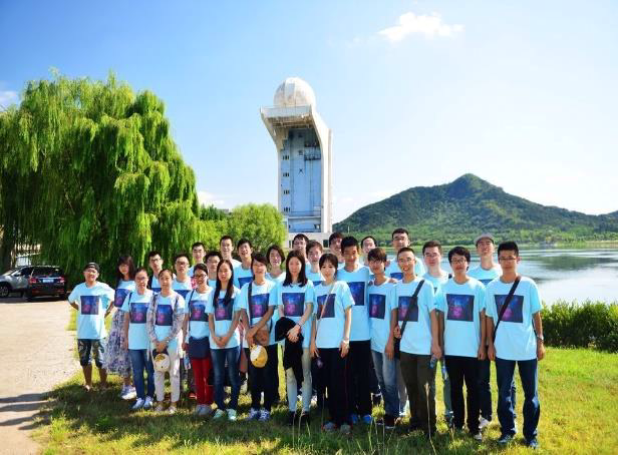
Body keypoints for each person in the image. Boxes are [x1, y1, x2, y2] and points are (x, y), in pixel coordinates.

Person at [486, 241, 545, 449]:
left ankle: (530, 435)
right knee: (503, 393)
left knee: (531, 395)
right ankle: (508, 430)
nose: (507, 262)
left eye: (510, 258)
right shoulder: (492, 287)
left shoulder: (528, 285)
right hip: (502, 349)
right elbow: (489, 318)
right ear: (498, 260)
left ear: (518, 259)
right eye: (502, 258)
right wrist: (490, 344)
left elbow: (536, 315)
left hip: (527, 348)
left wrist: (540, 341)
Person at [437, 246, 486, 441]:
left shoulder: (478, 287)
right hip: (451, 349)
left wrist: (482, 345)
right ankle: (458, 423)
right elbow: (440, 319)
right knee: (455, 388)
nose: (458, 264)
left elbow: (483, 318)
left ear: (468, 263)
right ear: (450, 264)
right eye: (455, 261)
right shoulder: (444, 288)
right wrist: (440, 344)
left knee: (474, 389)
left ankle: (474, 426)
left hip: (473, 349)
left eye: (462, 260)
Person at [393, 247, 441, 438]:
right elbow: (397, 313)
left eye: (408, 259)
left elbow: (433, 316)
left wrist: (435, 343)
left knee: (426, 388)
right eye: (401, 260)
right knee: (411, 386)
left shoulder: (425, 285)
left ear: (415, 262)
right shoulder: (397, 287)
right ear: (398, 263)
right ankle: (415, 423)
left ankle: (430, 427)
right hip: (406, 347)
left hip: (424, 347)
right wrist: (396, 329)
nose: (405, 263)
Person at [310, 253, 353, 435]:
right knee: (327, 383)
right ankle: (334, 419)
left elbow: (348, 314)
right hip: (321, 345)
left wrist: (346, 339)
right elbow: (314, 318)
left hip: (337, 345)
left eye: (330, 266)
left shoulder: (341, 286)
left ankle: (345, 421)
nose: (327, 270)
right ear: (320, 269)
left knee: (340, 384)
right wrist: (312, 341)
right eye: (324, 266)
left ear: (336, 268)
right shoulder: (316, 290)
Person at [468, 233, 504, 429]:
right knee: (481, 378)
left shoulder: (502, 271)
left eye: (487, 243)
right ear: (476, 249)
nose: (484, 246)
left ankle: (509, 415)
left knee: (506, 379)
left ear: (493, 247)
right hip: (480, 331)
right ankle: (486, 415)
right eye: (480, 244)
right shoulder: (472, 274)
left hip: (502, 329)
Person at [238, 253, 278, 422]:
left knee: (268, 374)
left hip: (268, 338)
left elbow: (270, 311)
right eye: (256, 264)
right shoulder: (246, 288)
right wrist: (248, 332)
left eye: (261, 264)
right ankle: (254, 407)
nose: (258, 267)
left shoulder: (272, 287)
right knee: (254, 375)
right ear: (252, 267)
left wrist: (254, 330)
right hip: (251, 340)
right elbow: (243, 312)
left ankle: (266, 408)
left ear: (266, 267)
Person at [277, 250, 315, 426]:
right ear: (287, 265)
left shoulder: (308, 285)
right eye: (291, 263)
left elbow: (309, 309)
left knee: (305, 374)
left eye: (297, 263)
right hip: (288, 338)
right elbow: (281, 309)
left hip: (303, 336)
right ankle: (292, 410)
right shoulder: (281, 286)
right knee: (290, 373)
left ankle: (305, 410)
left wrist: (297, 327)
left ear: (302, 265)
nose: (294, 266)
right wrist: (288, 331)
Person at [338, 236, 373, 424]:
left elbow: (381, 280)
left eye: (354, 253)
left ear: (358, 252)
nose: (351, 257)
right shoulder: (338, 275)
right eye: (347, 253)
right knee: (348, 375)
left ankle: (366, 411)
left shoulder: (366, 272)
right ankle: (351, 410)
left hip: (364, 333)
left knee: (364, 374)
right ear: (342, 254)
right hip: (345, 335)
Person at [68, 262, 115, 391]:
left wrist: (108, 311)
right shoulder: (79, 288)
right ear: (84, 273)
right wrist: (79, 308)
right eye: (88, 270)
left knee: (101, 360)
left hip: (98, 332)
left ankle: (103, 384)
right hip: (83, 332)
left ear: (97, 274)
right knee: (84, 360)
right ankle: (88, 383)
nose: (91, 273)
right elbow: (71, 300)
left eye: (93, 271)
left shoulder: (103, 287)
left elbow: (115, 298)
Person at [422, 240, 453, 427]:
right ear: (423, 258)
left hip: (450, 339)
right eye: (428, 254)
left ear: (441, 256)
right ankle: (429, 415)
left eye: (434, 254)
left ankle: (451, 415)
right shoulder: (420, 281)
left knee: (449, 379)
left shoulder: (451, 279)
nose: (431, 258)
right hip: (427, 339)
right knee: (429, 380)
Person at [367, 247, 399, 429]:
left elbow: (394, 314)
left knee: (389, 380)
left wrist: (391, 341)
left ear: (385, 263)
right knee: (380, 380)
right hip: (373, 342)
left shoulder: (392, 286)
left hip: (387, 342)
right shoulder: (370, 287)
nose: (375, 264)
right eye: (372, 261)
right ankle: (389, 412)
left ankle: (394, 414)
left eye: (378, 261)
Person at [207, 259, 242, 421]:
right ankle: (220, 407)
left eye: (225, 270)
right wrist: (214, 336)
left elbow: (236, 317)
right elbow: (210, 317)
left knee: (233, 375)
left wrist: (227, 336)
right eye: (220, 270)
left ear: (231, 273)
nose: (222, 273)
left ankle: (233, 407)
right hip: (215, 342)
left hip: (232, 341)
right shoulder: (212, 293)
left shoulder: (237, 292)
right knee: (218, 376)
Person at [147, 269, 186, 413]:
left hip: (172, 342)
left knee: (174, 372)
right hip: (156, 342)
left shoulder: (178, 299)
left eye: (167, 278)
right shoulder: (154, 299)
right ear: (158, 280)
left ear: (172, 280)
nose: (164, 281)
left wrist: (166, 341)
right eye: (162, 278)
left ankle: (173, 403)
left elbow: (178, 323)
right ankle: (160, 401)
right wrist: (155, 340)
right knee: (158, 371)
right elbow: (149, 320)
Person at [183, 263, 215, 417]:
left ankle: (208, 403)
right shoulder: (190, 295)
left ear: (207, 276)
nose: (199, 278)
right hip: (193, 340)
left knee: (208, 374)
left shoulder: (212, 294)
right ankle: (200, 402)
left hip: (208, 340)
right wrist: (185, 339)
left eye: (202, 275)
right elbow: (185, 320)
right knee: (197, 375)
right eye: (197, 276)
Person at [121, 267, 155, 410]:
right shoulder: (130, 296)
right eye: (138, 278)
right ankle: (140, 397)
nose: (141, 281)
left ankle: (150, 396)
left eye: (143, 278)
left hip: (149, 341)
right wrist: (126, 337)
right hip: (134, 341)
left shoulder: (154, 296)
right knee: (137, 372)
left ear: (148, 279)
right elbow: (126, 319)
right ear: (134, 280)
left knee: (151, 371)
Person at [105, 256, 137, 400]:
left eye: (126, 265)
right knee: (122, 350)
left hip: (132, 318)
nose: (123, 268)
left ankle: (136, 384)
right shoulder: (118, 281)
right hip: (118, 319)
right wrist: (107, 311)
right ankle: (126, 384)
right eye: (121, 265)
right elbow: (115, 301)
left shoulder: (136, 281)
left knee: (132, 350)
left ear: (131, 265)